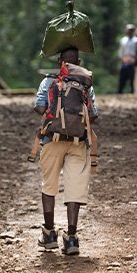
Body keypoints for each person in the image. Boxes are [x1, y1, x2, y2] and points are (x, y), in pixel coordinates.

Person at [33, 47, 98, 256]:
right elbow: (94, 115)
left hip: (52, 139)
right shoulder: (86, 82)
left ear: (60, 61)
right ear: (77, 61)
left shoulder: (49, 81)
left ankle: (50, 234)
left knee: (49, 184)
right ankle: (71, 239)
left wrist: (57, 112)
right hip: (78, 141)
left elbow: (40, 107)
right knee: (75, 188)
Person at [118, 24, 137, 94]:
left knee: (133, 79)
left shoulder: (136, 41)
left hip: (133, 61)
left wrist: (135, 60)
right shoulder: (123, 40)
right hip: (124, 61)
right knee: (122, 78)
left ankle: (133, 92)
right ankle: (120, 92)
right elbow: (120, 51)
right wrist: (122, 59)